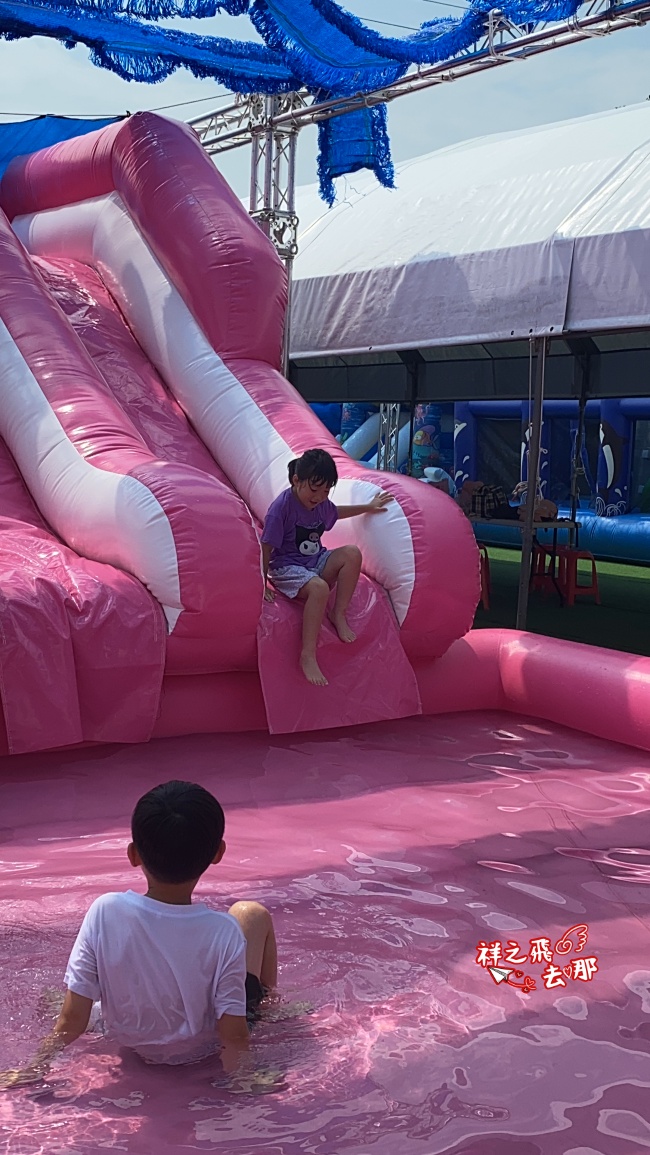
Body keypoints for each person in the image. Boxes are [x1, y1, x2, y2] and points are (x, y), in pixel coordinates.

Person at [0, 781, 277, 1087]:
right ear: (218, 853)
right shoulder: (222, 932)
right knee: (250, 914)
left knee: (60, 999)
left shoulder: (105, 911)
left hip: (129, 1037)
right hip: (199, 1048)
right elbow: (233, 1034)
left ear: (133, 854)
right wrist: (245, 1076)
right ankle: (272, 1007)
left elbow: (71, 1019)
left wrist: (35, 1068)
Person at [261, 448, 393, 687]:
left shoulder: (321, 504)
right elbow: (267, 546)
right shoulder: (281, 508)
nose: (319, 496)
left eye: (325, 491)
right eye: (314, 489)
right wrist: (261, 582)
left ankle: (338, 613)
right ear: (296, 480)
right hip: (286, 567)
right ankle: (308, 654)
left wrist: (368, 507)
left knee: (352, 553)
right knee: (319, 588)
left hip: (315, 561)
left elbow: (336, 512)